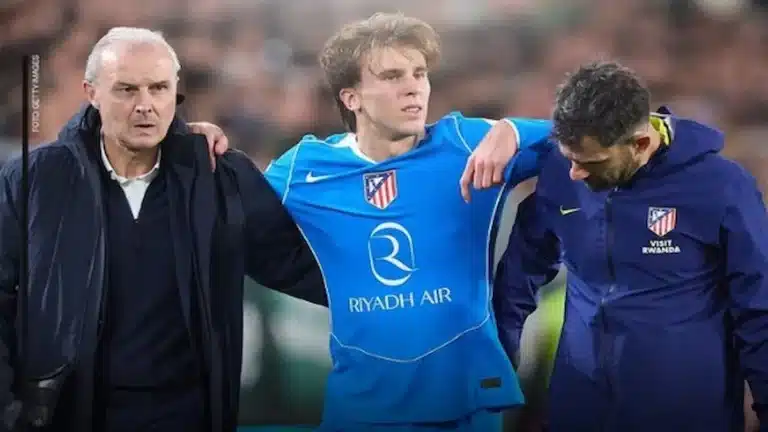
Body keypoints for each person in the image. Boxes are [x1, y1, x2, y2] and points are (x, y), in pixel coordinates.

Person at [0, 27, 325, 432]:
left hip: (185, 416)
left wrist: (409, 290)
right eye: (126, 89)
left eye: (158, 88)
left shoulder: (218, 176)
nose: (145, 105)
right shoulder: (34, 178)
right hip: (69, 417)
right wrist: (9, 412)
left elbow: (300, 265)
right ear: (91, 93)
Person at [263, 12, 554, 432]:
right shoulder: (303, 170)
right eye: (392, 76)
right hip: (361, 407)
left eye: (419, 73)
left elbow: (587, 138)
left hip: (464, 403)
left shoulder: (467, 143)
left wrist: (515, 129)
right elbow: (223, 205)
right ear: (351, 98)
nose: (414, 86)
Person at [494, 60, 768, 432]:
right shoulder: (564, 171)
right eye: (568, 158)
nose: (574, 173)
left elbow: (758, 307)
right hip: (579, 407)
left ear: (639, 143)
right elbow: (517, 278)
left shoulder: (721, 188)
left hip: (686, 412)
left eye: (591, 162)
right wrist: (497, 362)